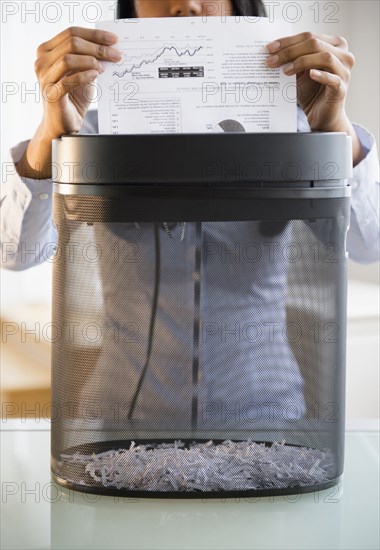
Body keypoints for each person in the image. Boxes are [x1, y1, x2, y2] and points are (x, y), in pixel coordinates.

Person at [1, 0, 379, 428]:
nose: (188, 4)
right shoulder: (90, 134)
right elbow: (16, 253)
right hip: (120, 419)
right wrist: (50, 133)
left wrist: (333, 128)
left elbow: (370, 244)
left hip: (262, 414)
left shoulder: (296, 132)